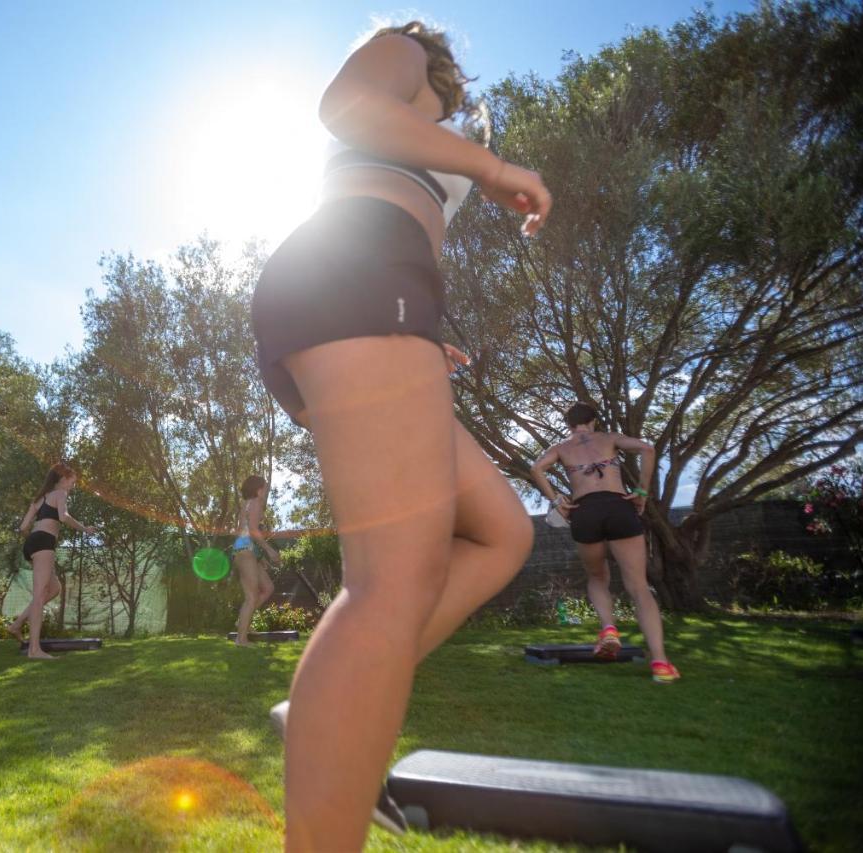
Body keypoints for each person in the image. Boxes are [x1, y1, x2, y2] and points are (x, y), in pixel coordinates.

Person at [250, 20, 551, 849]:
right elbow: (342, 106)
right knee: (389, 582)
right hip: (356, 275)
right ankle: (336, 723)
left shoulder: (424, 120)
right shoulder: (403, 56)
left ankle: (334, 702)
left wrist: (418, 336)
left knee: (502, 532)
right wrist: (488, 167)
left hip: (381, 294)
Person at [530, 402, 680, 683]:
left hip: (585, 512)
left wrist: (557, 500)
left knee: (597, 577)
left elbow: (537, 467)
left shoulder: (562, 447)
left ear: (569, 425)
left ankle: (609, 629)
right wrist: (641, 492)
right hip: (618, 506)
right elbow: (647, 448)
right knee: (638, 586)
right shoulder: (609, 438)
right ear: (594, 421)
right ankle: (660, 663)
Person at [6, 462, 97, 659]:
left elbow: (23, 527)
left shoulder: (39, 499)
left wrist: (34, 539)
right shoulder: (60, 494)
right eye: (72, 482)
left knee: (54, 589)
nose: (72, 486)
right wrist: (85, 529)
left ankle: (17, 624)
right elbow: (63, 517)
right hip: (43, 543)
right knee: (39, 597)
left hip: (32, 543)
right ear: (63, 480)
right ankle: (34, 650)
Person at [232, 475, 280, 645]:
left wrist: (258, 558)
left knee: (267, 588)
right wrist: (269, 550)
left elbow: (241, 531)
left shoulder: (246, 504)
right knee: (251, 597)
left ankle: (243, 622)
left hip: (245, 551)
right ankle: (241, 639)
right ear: (258, 490)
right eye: (265, 488)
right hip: (245, 551)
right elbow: (252, 530)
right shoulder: (256, 503)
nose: (266, 491)